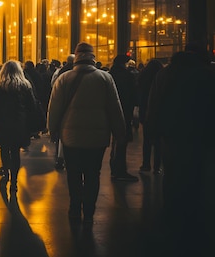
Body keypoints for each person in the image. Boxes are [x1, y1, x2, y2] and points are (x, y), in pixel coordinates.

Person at [146, 44, 215, 256]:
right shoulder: (206, 74)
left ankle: (172, 213)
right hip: (199, 134)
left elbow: (154, 103)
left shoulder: (165, 73)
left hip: (170, 133)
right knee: (196, 173)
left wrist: (152, 131)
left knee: (172, 173)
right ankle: (193, 215)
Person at [47, 42, 125, 226]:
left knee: (73, 174)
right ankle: (89, 210)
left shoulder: (64, 79)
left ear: (76, 56)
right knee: (93, 174)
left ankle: (75, 208)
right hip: (97, 138)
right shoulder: (105, 78)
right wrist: (120, 131)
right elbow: (115, 107)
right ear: (92, 57)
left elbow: (54, 108)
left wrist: (52, 130)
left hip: (70, 136)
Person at [0, 60, 38, 194]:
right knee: (15, 152)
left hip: (3, 123)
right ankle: (14, 181)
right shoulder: (25, 85)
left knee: (4, 149)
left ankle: (6, 173)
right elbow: (32, 106)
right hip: (19, 124)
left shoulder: (0, 86)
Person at [108, 54, 139, 182]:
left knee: (115, 141)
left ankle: (114, 167)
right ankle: (120, 169)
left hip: (110, 111)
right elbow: (132, 95)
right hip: (124, 112)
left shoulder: (109, 75)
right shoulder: (127, 76)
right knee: (121, 141)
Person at [136, 58, 164, 174]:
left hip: (145, 113)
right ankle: (157, 166)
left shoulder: (143, 78)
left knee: (146, 140)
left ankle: (146, 164)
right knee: (158, 142)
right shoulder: (161, 79)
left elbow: (139, 95)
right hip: (159, 113)